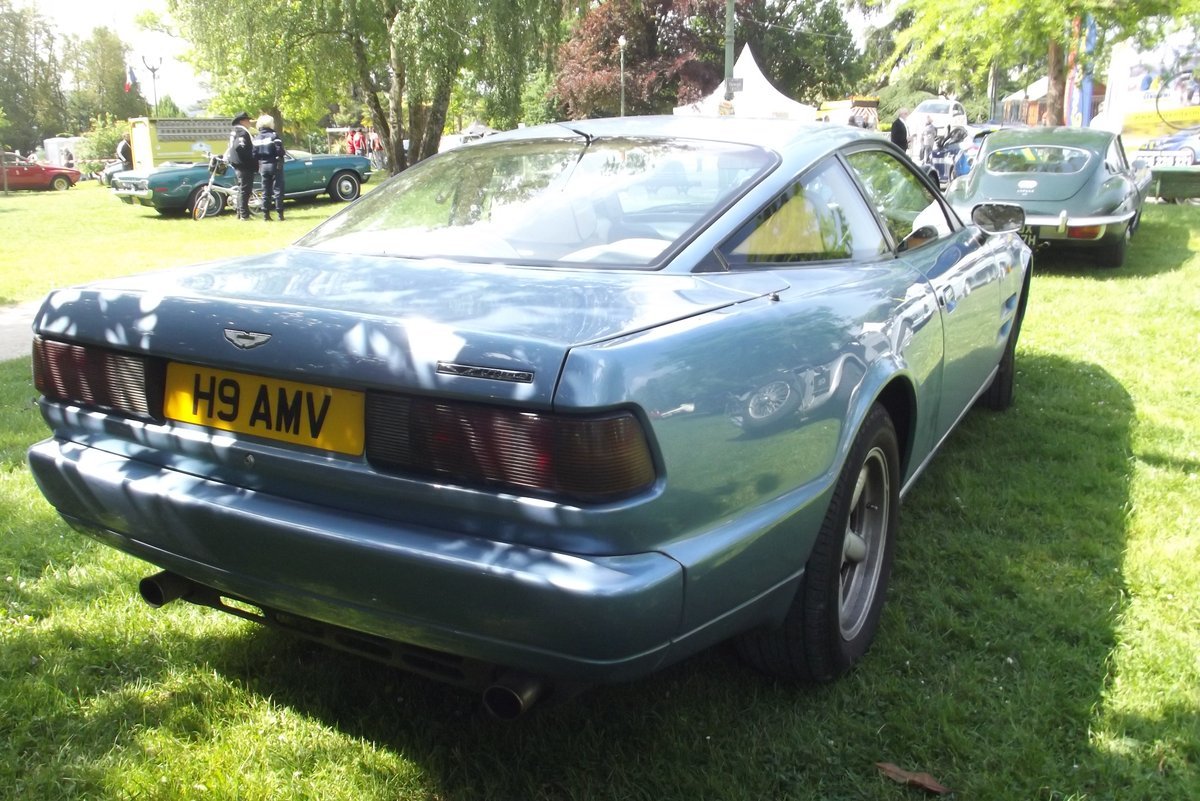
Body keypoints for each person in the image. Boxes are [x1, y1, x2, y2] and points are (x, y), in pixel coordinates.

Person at [253, 114, 285, 221]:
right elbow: (280, 151)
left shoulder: (256, 138)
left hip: (263, 166)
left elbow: (254, 154)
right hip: (274, 164)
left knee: (265, 191)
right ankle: (280, 214)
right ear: (270, 123)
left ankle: (266, 215)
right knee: (278, 190)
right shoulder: (274, 136)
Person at [227, 112, 257, 220]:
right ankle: (244, 214)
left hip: (238, 164)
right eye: (247, 120)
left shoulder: (235, 131)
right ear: (242, 121)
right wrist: (251, 158)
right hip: (244, 165)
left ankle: (240, 213)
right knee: (245, 190)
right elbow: (240, 147)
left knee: (242, 190)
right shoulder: (242, 132)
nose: (249, 122)